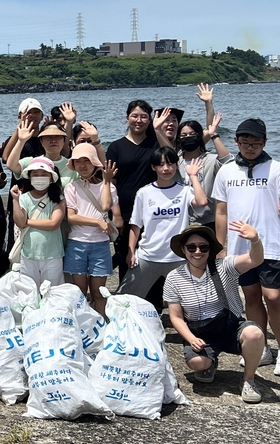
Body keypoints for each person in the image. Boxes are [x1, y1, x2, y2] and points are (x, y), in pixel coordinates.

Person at [212, 118, 280, 377]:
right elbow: (221, 211)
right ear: (236, 141)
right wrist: (220, 247)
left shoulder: (277, 169)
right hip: (240, 249)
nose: (250, 147)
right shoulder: (226, 171)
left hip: (270, 244)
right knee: (250, 297)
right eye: (246, 142)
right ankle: (262, 348)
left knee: (273, 297)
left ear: (265, 143)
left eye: (256, 143)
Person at [163, 222, 269, 403]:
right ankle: (209, 363)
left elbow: (255, 259)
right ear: (183, 249)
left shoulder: (224, 266)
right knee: (197, 363)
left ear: (210, 249)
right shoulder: (174, 277)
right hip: (200, 333)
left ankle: (248, 380)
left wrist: (255, 240)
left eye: (203, 247)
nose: (198, 252)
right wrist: (190, 338)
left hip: (230, 327)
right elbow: (176, 316)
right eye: (192, 247)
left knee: (254, 333)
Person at [119, 149, 209, 304]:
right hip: (148, 255)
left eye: (170, 163)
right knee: (125, 300)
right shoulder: (144, 192)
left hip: (178, 256)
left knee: (193, 301)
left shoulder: (184, 191)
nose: (166, 168)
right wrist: (131, 252)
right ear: (153, 167)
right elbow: (136, 225)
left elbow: (202, 202)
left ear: (176, 165)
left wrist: (193, 176)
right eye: (160, 165)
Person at [105, 100, 176, 276]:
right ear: (127, 118)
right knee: (125, 255)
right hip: (125, 209)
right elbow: (111, 183)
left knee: (154, 252)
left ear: (150, 119)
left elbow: (172, 156)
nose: (139, 120)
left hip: (154, 208)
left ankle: (156, 301)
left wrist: (159, 130)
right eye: (134, 116)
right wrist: (117, 214)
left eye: (144, 116)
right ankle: (127, 297)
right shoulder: (116, 147)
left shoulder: (155, 144)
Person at [64, 142, 122, 316]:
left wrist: (106, 181)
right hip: (77, 243)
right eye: (78, 162)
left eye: (86, 161)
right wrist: (97, 223)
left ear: (95, 163)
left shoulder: (109, 187)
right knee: (80, 291)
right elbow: (71, 217)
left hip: (100, 244)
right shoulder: (71, 187)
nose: (82, 165)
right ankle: (82, 324)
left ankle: (100, 324)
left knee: (99, 292)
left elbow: (105, 206)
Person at [178, 84, 232, 229]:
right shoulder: (176, 160)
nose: (188, 138)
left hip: (209, 219)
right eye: (183, 135)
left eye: (192, 135)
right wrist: (158, 129)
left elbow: (228, 160)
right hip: (181, 219)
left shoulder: (210, 160)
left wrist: (208, 104)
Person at [11, 158, 66, 288]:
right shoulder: (24, 198)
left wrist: (28, 222)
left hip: (53, 254)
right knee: (29, 292)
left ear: (52, 178)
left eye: (44, 174)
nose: (39, 178)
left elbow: (54, 224)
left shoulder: (59, 199)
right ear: (29, 177)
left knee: (53, 292)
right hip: (28, 254)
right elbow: (19, 222)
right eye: (35, 174)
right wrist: (15, 200)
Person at [8, 120, 77, 187]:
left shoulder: (72, 165)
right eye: (48, 137)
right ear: (41, 141)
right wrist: (21, 141)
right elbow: (12, 166)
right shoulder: (33, 162)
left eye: (58, 136)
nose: (53, 140)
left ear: (64, 141)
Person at [1, 97, 45, 163]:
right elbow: (6, 158)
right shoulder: (14, 140)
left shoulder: (46, 138)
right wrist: (20, 126)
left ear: (42, 116)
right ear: (19, 117)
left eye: (36, 112)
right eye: (27, 113)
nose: (32, 115)